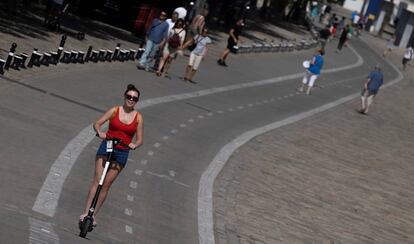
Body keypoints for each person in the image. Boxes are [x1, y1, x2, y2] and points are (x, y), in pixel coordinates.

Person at [79, 84, 144, 226]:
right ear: (124, 97)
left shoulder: (138, 118)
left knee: (106, 185)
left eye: (134, 98)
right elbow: (97, 123)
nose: (131, 100)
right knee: (97, 180)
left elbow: (139, 140)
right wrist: (100, 132)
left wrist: (134, 145)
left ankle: (93, 216)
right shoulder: (115, 111)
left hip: (122, 151)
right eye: (129, 97)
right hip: (107, 146)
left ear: (137, 101)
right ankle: (85, 213)